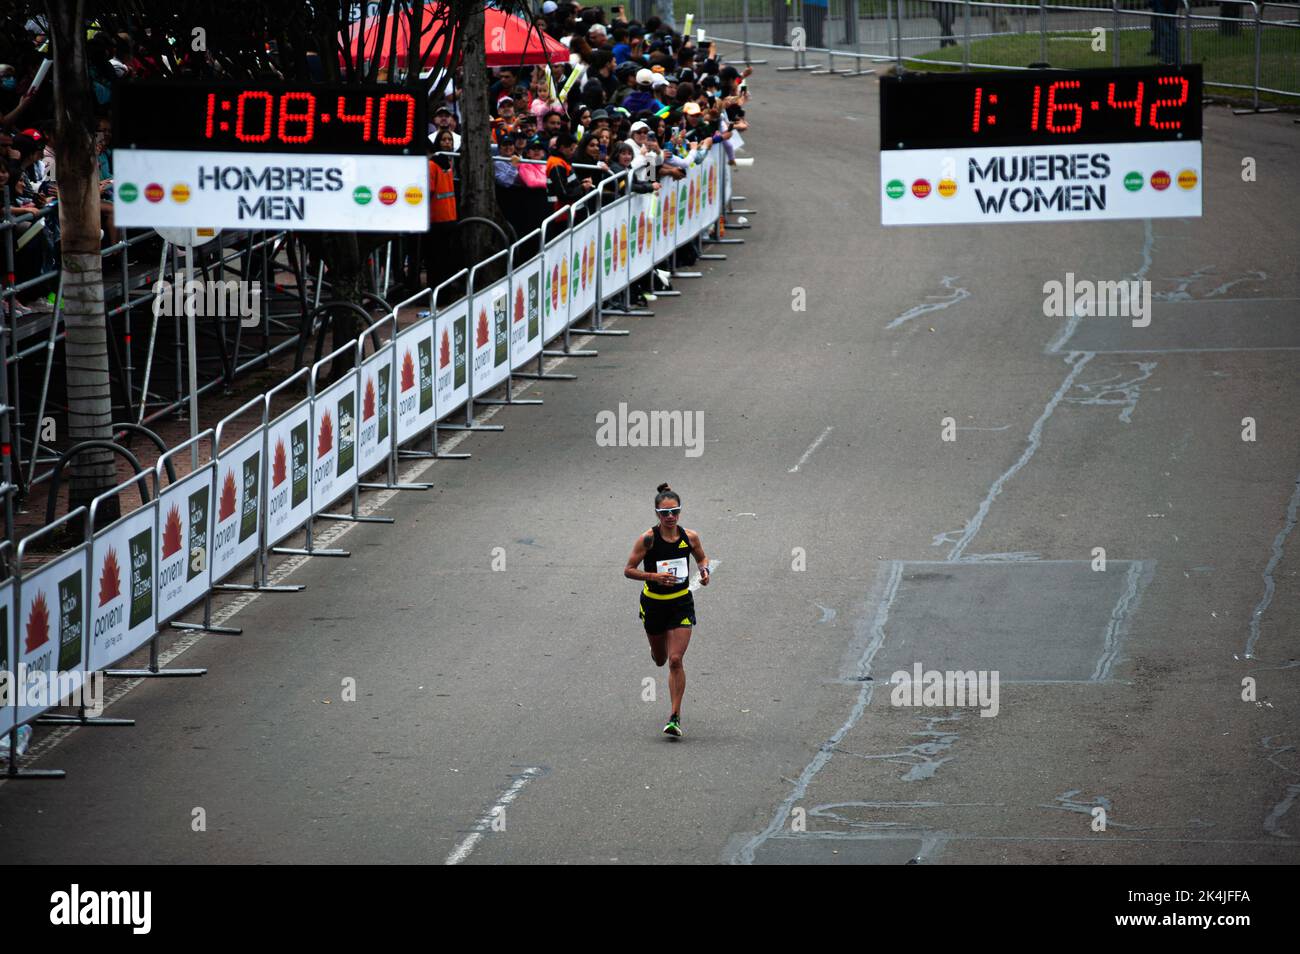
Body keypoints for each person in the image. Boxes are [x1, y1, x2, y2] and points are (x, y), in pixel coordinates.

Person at [623, 482, 710, 738]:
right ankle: (656, 648)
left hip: (681, 602)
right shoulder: (648, 539)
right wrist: (654, 576)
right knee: (661, 659)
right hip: (653, 604)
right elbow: (628, 570)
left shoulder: (689, 537)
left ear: (680, 512)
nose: (670, 517)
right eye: (665, 513)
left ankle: (674, 717)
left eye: (675, 512)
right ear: (657, 514)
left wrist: (705, 571)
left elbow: (702, 558)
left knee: (675, 660)